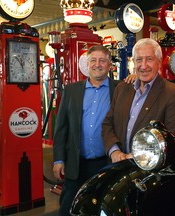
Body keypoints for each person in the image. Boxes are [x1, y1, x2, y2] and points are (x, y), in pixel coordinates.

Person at [52, 45, 120, 216]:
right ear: (87, 64)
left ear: (110, 65)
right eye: (93, 60)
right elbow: (61, 128)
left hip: (107, 163)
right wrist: (58, 159)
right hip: (76, 162)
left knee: (102, 208)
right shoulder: (71, 90)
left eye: (102, 60)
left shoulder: (120, 88)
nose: (98, 64)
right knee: (68, 207)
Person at [102, 38, 175, 163]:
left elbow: (172, 141)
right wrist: (114, 151)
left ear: (159, 62)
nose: (143, 65)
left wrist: (137, 155)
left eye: (149, 59)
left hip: (148, 171)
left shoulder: (172, 93)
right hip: (117, 165)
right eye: (139, 60)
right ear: (134, 62)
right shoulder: (122, 88)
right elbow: (108, 124)